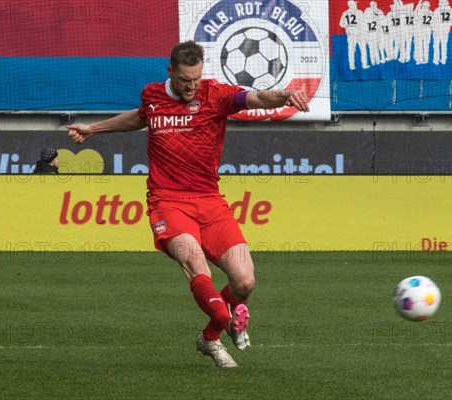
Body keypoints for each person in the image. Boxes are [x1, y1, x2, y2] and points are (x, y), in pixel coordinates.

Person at [66, 41, 310, 368]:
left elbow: (255, 97)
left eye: (195, 79)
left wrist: (284, 95)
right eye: (184, 80)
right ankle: (231, 324)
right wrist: (93, 129)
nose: (191, 86)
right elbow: (141, 118)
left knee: (245, 281)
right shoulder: (152, 95)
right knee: (198, 266)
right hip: (167, 202)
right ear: (170, 72)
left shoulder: (215, 95)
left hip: (210, 202)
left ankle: (210, 338)